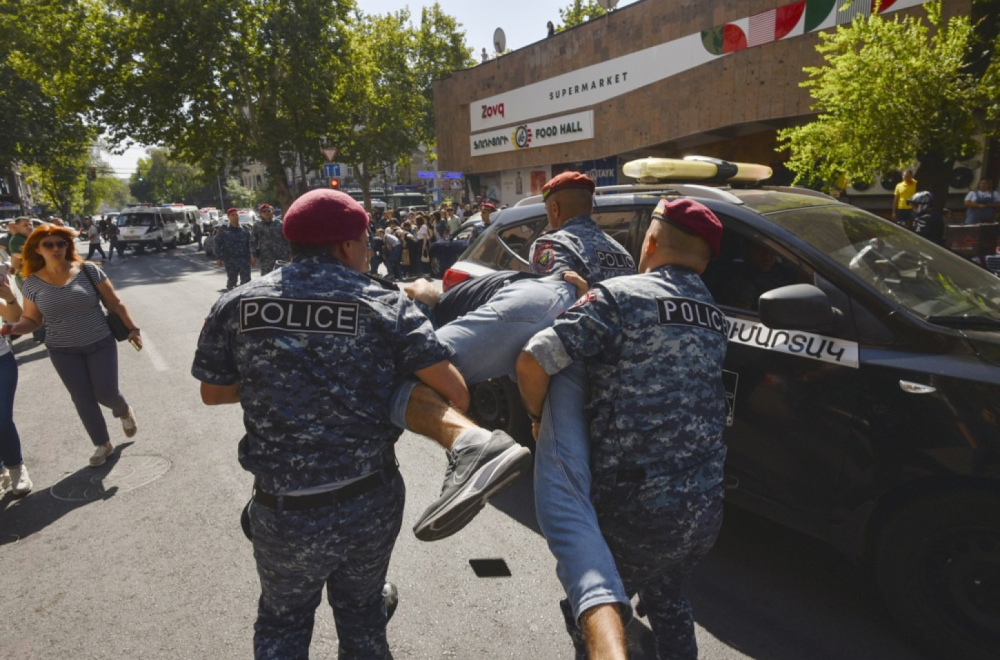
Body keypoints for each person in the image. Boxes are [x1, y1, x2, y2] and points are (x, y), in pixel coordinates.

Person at [192, 189, 474, 659]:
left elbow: (213, 392)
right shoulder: (385, 305)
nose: (368, 249)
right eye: (365, 241)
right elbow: (456, 393)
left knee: (283, 622)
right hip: (369, 500)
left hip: (283, 508)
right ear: (346, 246)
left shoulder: (238, 303)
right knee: (363, 615)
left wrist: (279, 378)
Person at [517, 198, 729, 660]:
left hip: (634, 511)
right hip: (703, 506)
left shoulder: (618, 298)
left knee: (596, 612)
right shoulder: (714, 314)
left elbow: (533, 358)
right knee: (670, 600)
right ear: (706, 260)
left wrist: (538, 420)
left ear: (649, 241)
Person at [394, 172, 636, 548]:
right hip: (613, 372)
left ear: (553, 208)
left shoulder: (553, 241)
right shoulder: (621, 252)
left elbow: (548, 305)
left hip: (565, 363)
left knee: (563, 489)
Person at [3, 225, 140, 468]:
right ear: (37, 249)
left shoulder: (87, 270)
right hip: (63, 350)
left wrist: (133, 328)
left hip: (100, 342)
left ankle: (123, 410)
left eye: (60, 243)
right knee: (82, 398)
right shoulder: (32, 283)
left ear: (67, 246)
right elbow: (32, 320)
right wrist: (14, 328)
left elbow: (114, 302)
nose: (56, 248)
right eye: (49, 244)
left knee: (106, 393)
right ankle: (102, 443)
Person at [0, 272, 30, 496]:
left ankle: (16, 467)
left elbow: (15, 318)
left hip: (2, 361)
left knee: (2, 419)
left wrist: (10, 298)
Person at [215, 208, 255, 290]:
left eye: (236, 215)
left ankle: (245, 300)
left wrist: (253, 256)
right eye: (232, 215)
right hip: (230, 260)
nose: (235, 216)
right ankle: (231, 300)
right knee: (232, 282)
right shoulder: (223, 229)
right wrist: (218, 258)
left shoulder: (245, 229)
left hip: (244, 260)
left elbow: (251, 244)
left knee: (246, 282)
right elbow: (218, 243)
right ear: (228, 217)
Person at [250, 203, 290, 275]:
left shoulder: (279, 224)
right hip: (266, 258)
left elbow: (286, 240)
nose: (267, 213)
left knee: (281, 277)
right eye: (264, 211)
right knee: (266, 278)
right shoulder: (257, 225)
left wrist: (289, 254)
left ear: (272, 212)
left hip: (281, 256)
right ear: (260, 213)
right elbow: (253, 242)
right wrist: (253, 255)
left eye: (268, 211)